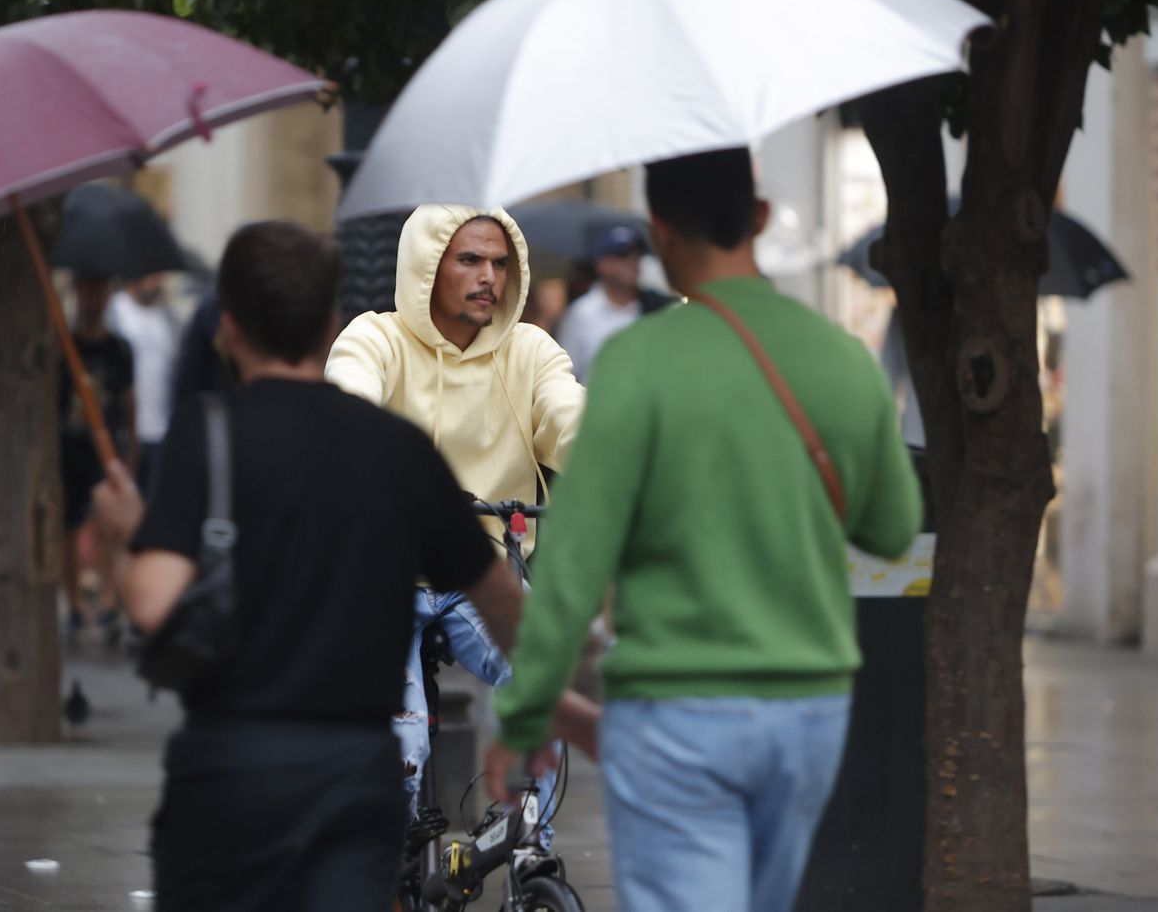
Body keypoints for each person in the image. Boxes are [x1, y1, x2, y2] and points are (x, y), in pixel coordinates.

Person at [487, 149, 924, 912]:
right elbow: (894, 528)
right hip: (810, 709)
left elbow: (576, 564)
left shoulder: (639, 363)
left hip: (677, 709)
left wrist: (529, 714)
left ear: (658, 231)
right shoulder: (842, 360)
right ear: (756, 217)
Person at [90, 221, 539, 912]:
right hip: (352, 775)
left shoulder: (206, 436)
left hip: (229, 771)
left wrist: (124, 534)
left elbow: (152, 606)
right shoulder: (397, 448)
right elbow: (505, 607)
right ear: (329, 324)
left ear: (229, 329)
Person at [325, 204, 588, 832]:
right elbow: (347, 401)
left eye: (500, 263)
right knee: (400, 752)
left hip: (485, 576)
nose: (488, 277)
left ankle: (529, 846)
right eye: (469, 259)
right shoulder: (375, 338)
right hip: (384, 581)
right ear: (426, 268)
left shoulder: (529, 350)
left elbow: (568, 413)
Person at [60, 276, 137, 645]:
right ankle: (74, 602)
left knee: (109, 528)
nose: (93, 298)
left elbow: (128, 403)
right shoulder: (63, 345)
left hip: (105, 450)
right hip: (67, 448)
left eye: (99, 290)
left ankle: (108, 601)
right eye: (87, 289)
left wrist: (131, 451)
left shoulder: (118, 349)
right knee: (68, 528)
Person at [555, 225, 676, 384]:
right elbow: (567, 374)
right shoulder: (581, 314)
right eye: (622, 254)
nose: (633, 261)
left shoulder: (659, 307)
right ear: (602, 264)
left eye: (637, 254)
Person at [108, 273, 178, 501]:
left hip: (160, 431)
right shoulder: (117, 310)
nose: (156, 280)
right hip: (126, 432)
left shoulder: (167, 316)